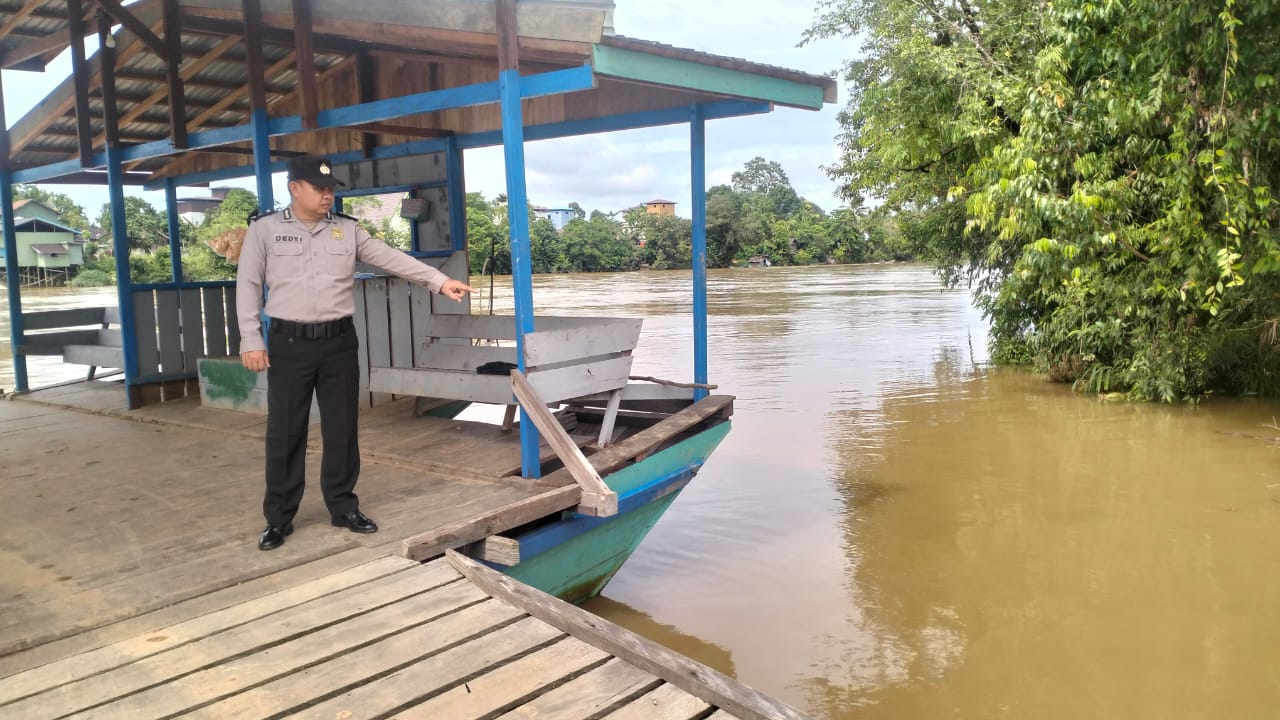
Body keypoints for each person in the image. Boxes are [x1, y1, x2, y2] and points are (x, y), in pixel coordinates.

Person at [236, 155, 472, 551]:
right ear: (295, 188)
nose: (327, 195)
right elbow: (247, 285)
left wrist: (438, 280)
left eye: (330, 188)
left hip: (338, 343)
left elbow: (390, 258)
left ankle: (343, 506)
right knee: (285, 432)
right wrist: (251, 340)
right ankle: (278, 517)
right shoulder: (265, 231)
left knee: (342, 427)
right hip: (288, 344)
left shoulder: (347, 231)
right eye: (319, 188)